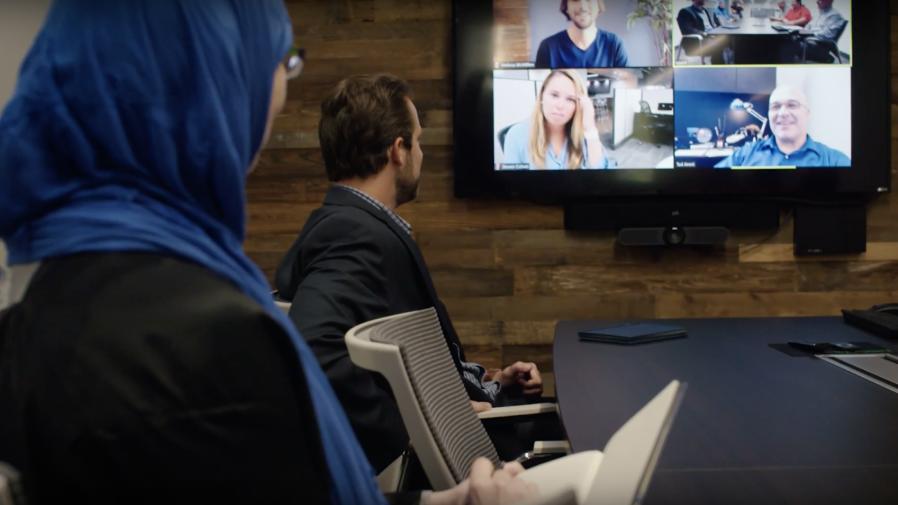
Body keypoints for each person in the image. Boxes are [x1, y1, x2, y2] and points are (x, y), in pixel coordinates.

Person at [0, 1, 535, 504]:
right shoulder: (205, 341)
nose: (277, 93)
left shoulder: (63, 293)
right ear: (206, 78)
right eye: (279, 61)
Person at [275, 74, 554, 473]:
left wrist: (490, 380)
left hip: (480, 417)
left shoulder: (350, 223)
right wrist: (417, 427)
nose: (422, 153)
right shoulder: (354, 236)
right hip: (475, 464)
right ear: (398, 151)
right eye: (418, 141)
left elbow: (401, 362)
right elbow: (313, 353)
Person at [715, 85, 850, 168]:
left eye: (792, 105)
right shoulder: (745, 154)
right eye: (776, 106)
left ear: (807, 114)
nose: (783, 113)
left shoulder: (834, 160)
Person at [501, 70, 609, 170]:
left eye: (570, 99)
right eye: (554, 95)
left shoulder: (584, 135)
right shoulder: (516, 135)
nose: (560, 105)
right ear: (542, 96)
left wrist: (590, 128)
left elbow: (600, 172)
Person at [534, 0, 628, 68]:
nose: (583, 6)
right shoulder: (548, 47)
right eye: (575, 0)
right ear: (566, 7)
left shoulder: (614, 44)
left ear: (598, 6)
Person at [676, 0, 732, 64]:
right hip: (696, 42)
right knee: (718, 45)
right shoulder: (685, 12)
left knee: (731, 39)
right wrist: (705, 34)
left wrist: (717, 31)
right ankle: (718, 69)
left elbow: (710, 26)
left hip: (710, 37)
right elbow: (687, 30)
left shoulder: (705, 10)